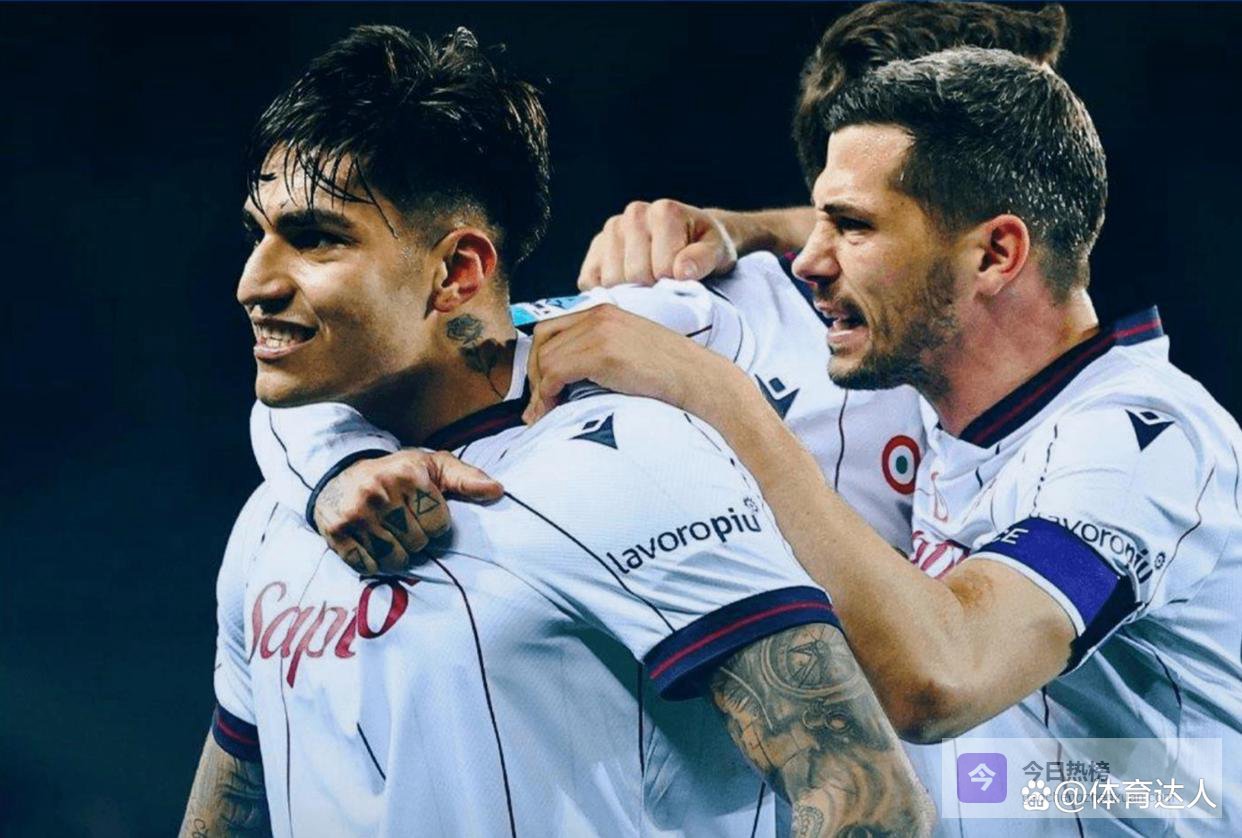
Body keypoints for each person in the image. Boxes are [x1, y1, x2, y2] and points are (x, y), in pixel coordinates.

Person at [180, 24, 931, 838]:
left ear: (456, 272)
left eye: (316, 239)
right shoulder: (281, 511)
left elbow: (870, 804)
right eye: (258, 235)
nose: (253, 283)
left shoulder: (630, 460)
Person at [529, 48, 1242, 835]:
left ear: (996, 255)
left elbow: (944, 678)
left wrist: (721, 398)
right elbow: (925, 227)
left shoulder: (1141, 445)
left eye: (850, 226)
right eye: (820, 221)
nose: (809, 261)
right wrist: (743, 228)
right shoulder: (957, 385)